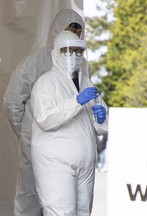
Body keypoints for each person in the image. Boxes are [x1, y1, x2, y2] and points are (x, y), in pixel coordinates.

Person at [3, 9, 86, 216]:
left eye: (78, 32)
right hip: (37, 146)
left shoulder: (82, 64)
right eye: (69, 30)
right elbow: (12, 101)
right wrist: (27, 133)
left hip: (69, 147)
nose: (74, 36)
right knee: (30, 199)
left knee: (67, 204)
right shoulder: (36, 61)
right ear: (57, 31)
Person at [30, 30, 108, 216]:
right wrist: (76, 101)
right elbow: (45, 118)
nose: (74, 56)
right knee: (60, 212)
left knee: (83, 212)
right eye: (68, 51)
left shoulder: (87, 83)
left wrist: (102, 119)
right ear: (57, 53)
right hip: (55, 163)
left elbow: (100, 125)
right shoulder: (46, 83)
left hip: (86, 162)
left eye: (77, 51)